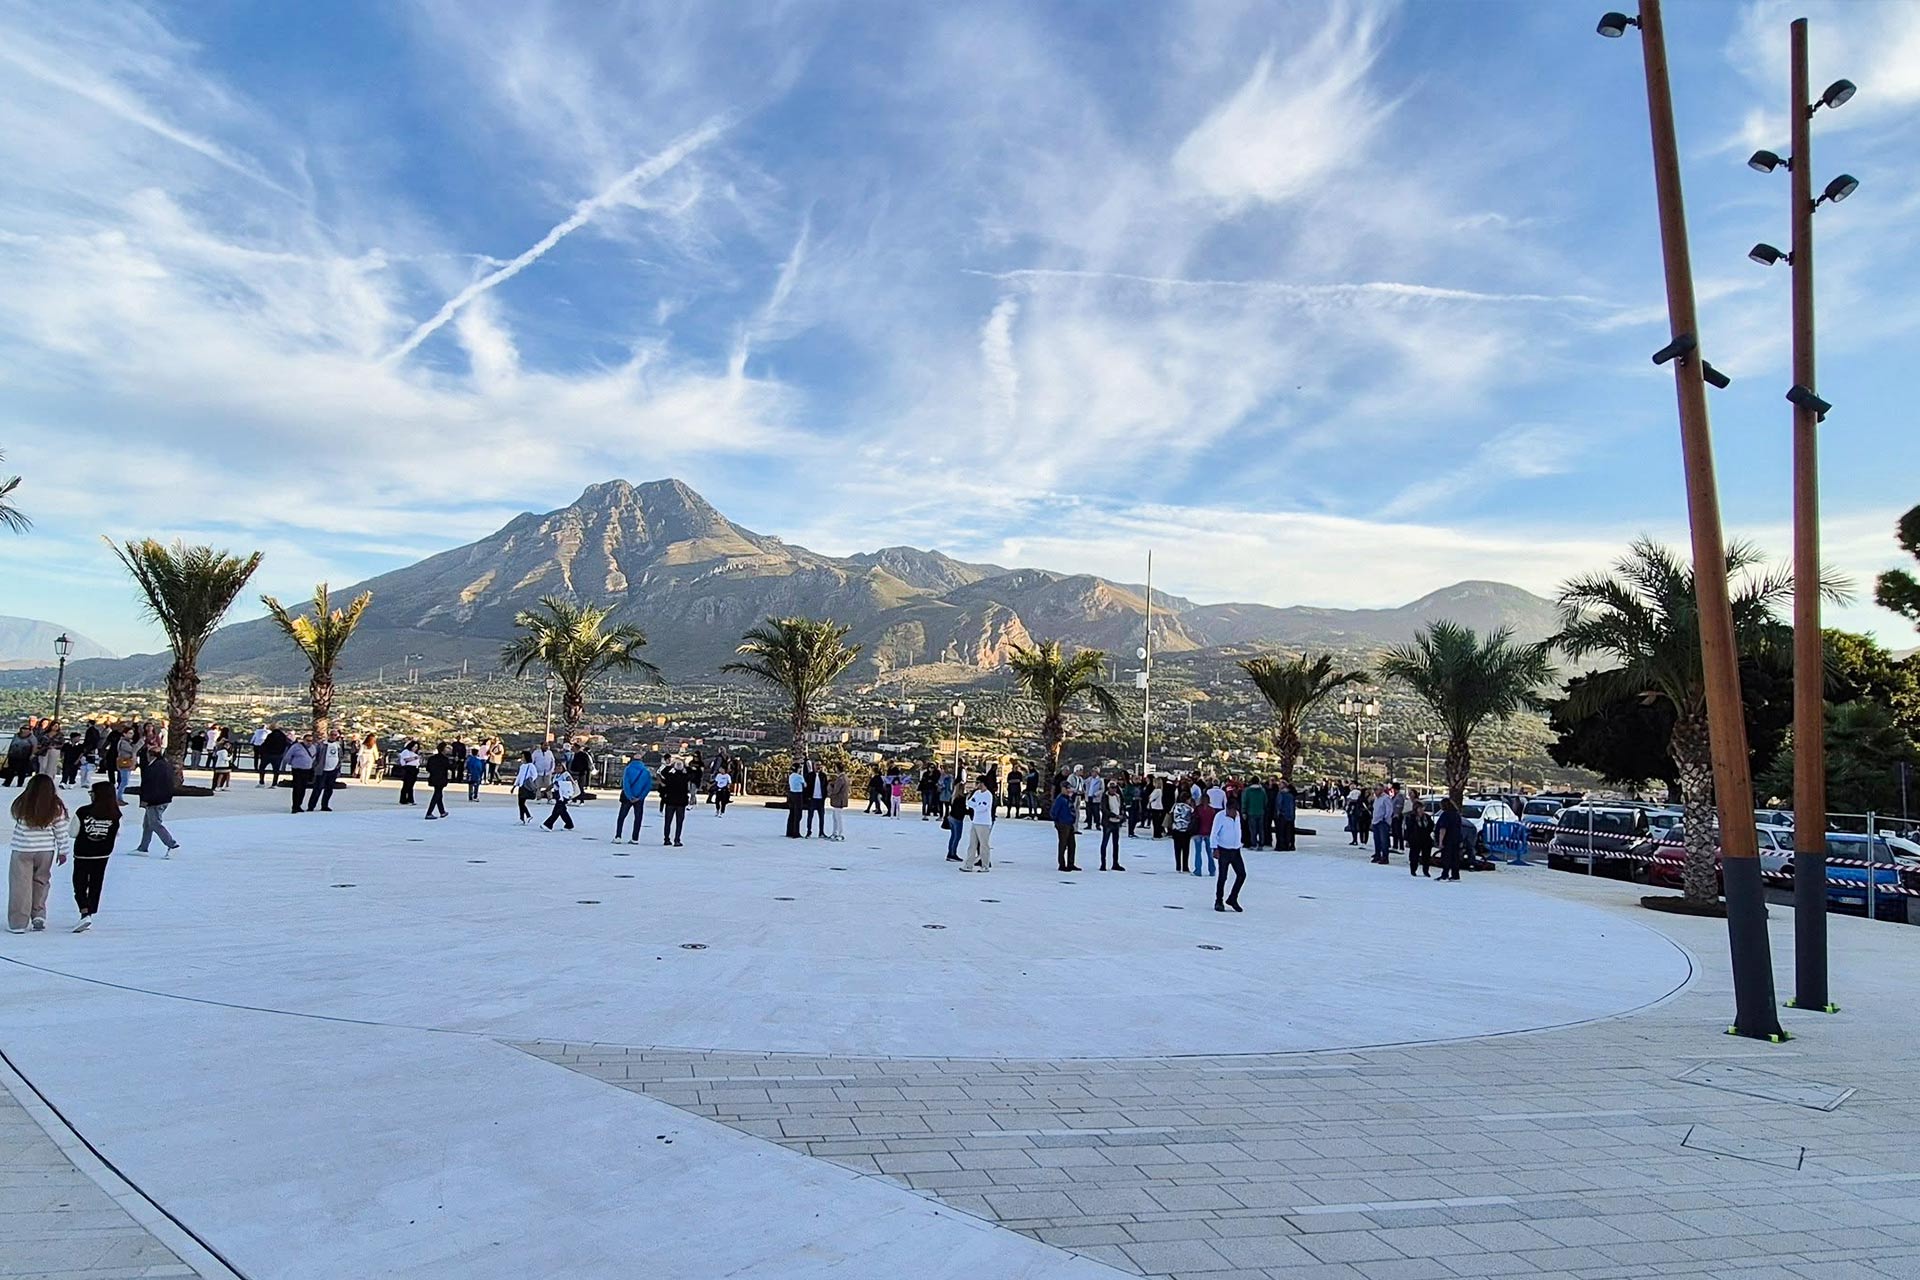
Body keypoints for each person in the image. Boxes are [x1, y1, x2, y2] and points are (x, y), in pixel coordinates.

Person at [8, 775, 70, 933]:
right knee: (41, 881)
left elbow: (15, 817)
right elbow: (61, 830)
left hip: (22, 848)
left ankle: (18, 922)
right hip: (45, 849)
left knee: (20, 885)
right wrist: (63, 851)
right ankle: (38, 914)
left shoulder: (22, 803)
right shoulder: (55, 806)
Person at [68, 780, 120, 932]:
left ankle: (84, 911)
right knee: (96, 883)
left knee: (80, 883)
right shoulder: (116, 814)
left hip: (83, 854)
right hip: (102, 855)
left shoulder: (83, 811)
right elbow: (118, 833)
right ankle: (90, 911)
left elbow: (72, 833)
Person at [131, 751, 179, 858]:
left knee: (155, 823)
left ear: (150, 755)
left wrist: (147, 799)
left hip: (156, 800)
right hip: (162, 798)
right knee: (147, 824)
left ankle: (172, 844)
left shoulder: (154, 768)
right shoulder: (164, 765)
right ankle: (143, 847)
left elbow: (151, 785)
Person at [1212, 795, 1247, 912]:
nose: (1232, 813)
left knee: (1242, 874)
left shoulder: (1237, 816)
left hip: (1236, 850)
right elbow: (1214, 833)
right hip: (1224, 850)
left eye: (1234, 811)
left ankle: (1233, 898)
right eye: (1230, 810)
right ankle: (1218, 900)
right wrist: (1214, 848)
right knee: (1223, 876)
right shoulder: (1220, 817)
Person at [616, 752, 653, 843]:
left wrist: (630, 796)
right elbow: (648, 786)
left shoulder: (628, 769)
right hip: (639, 798)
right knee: (638, 818)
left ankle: (618, 836)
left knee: (622, 817)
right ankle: (635, 838)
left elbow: (626, 784)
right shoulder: (646, 771)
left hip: (628, 797)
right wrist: (640, 797)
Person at [961, 776, 994, 871]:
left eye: (978, 783)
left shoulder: (988, 795)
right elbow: (969, 803)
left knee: (984, 845)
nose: (977, 785)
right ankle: (969, 865)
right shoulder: (977, 793)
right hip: (975, 821)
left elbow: (982, 808)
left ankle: (985, 865)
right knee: (972, 844)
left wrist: (975, 806)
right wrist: (975, 805)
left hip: (984, 823)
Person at [659, 757, 690, 847]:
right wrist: (685, 765)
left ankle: (666, 839)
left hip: (670, 801)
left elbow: (663, 772)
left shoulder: (670, 776)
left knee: (668, 821)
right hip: (681, 802)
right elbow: (693, 774)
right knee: (679, 822)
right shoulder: (685, 777)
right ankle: (677, 839)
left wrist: (671, 765)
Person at [309, 731, 343, 811]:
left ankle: (325, 805)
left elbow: (340, 756)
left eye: (335, 735)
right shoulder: (322, 744)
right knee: (317, 789)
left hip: (333, 770)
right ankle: (311, 806)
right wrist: (316, 766)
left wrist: (338, 766)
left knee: (329, 789)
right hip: (322, 770)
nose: (333, 736)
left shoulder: (338, 745)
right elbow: (316, 755)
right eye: (332, 735)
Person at [1099, 776, 1127, 871]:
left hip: (1116, 822)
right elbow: (1104, 809)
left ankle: (1115, 863)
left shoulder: (1118, 797)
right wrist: (1113, 815)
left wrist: (1122, 814)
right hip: (1108, 822)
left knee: (1116, 844)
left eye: (1115, 788)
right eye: (1112, 788)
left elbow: (1122, 806)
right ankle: (1103, 863)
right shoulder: (1105, 796)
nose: (1113, 790)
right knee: (1105, 843)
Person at [1050, 782, 1079, 872]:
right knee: (1063, 844)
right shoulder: (1060, 799)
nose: (1068, 790)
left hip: (1069, 824)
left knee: (1072, 844)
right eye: (1067, 788)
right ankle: (1062, 864)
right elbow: (1053, 812)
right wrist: (1058, 822)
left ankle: (1071, 863)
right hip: (1063, 824)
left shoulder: (1068, 798)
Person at [284, 733, 316, 814]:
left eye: (311, 741)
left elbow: (314, 757)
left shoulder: (313, 748)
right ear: (304, 740)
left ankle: (299, 805)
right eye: (308, 740)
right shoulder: (296, 747)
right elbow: (287, 757)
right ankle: (295, 806)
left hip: (307, 770)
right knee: (297, 788)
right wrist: (293, 763)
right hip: (297, 770)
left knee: (303, 788)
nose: (309, 742)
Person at [1436, 797, 1466, 881]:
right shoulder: (1457, 815)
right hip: (1456, 838)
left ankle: (1445, 874)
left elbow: (1443, 829)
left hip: (1448, 839)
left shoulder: (1445, 815)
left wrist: (1440, 841)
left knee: (1446, 857)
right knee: (1455, 857)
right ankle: (1455, 875)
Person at [1407, 793, 1435, 877]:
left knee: (1426, 856)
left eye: (1423, 808)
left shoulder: (1427, 817)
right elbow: (1409, 829)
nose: (1422, 810)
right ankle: (1413, 870)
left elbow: (1431, 826)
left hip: (1426, 839)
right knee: (1414, 856)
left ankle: (1426, 870)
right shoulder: (1411, 818)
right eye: (1420, 808)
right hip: (1415, 839)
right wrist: (1408, 839)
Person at [1192, 793, 1216, 879]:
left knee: (1198, 852)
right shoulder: (1212, 810)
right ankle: (1212, 870)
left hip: (1198, 832)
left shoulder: (1198, 809)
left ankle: (1198, 870)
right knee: (1209, 852)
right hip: (1209, 833)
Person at [423, 744, 451, 819]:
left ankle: (442, 811)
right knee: (437, 795)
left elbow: (428, 768)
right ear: (443, 749)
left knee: (439, 794)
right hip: (441, 778)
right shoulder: (445, 759)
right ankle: (429, 813)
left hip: (433, 777)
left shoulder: (432, 758)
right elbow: (450, 767)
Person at [1169, 791, 1194, 873]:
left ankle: (1178, 866)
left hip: (1176, 829)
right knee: (1186, 849)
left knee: (1177, 849)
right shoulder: (1189, 808)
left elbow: (1171, 815)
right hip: (1186, 831)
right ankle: (1185, 866)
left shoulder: (1175, 806)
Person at [1240, 776, 1267, 850]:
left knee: (1252, 829)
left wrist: (1244, 811)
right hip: (1261, 812)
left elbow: (1244, 802)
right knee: (1261, 829)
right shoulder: (1262, 790)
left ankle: (1253, 843)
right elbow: (1265, 801)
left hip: (1251, 812)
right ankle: (1261, 843)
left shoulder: (1247, 791)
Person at [512, 751, 538, 824]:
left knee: (521, 803)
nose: (522, 758)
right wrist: (514, 786)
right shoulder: (522, 766)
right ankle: (526, 817)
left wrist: (529, 780)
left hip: (526, 786)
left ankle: (523, 818)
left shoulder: (531, 766)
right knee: (521, 803)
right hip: (521, 786)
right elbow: (519, 776)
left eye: (523, 757)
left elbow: (535, 774)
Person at [944, 782, 967, 862]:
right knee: (957, 837)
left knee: (953, 836)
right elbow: (961, 810)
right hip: (957, 819)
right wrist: (969, 812)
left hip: (951, 817)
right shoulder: (961, 798)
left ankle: (950, 852)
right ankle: (952, 854)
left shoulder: (954, 797)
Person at [1370, 785, 1393, 864]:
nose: (1375, 791)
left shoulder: (1386, 798)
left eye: (1376, 789)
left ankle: (1385, 857)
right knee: (1377, 840)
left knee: (1384, 840)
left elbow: (1389, 810)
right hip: (1376, 821)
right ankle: (1377, 855)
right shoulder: (1377, 799)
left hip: (1382, 822)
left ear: (1381, 790)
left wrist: (1385, 819)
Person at [827, 765, 849, 840]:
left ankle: (840, 833)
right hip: (841, 800)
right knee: (835, 817)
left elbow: (836, 790)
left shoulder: (840, 779)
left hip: (838, 800)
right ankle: (835, 832)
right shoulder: (845, 777)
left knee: (837, 818)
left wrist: (830, 789)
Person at [785, 761, 806, 838]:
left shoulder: (791, 776)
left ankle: (789, 831)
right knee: (798, 814)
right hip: (798, 795)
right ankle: (796, 832)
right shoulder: (800, 777)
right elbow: (805, 785)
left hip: (791, 794)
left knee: (792, 813)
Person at [1275, 783, 1297, 852]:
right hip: (1290, 815)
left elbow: (1278, 804)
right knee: (1288, 831)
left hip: (1282, 815)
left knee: (1281, 831)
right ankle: (1288, 845)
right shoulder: (1291, 795)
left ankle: (1281, 846)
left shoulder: (1281, 794)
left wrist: (1278, 813)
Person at [807, 763, 828, 836]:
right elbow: (806, 787)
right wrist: (808, 797)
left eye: (820, 765)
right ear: (813, 766)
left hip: (821, 800)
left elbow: (825, 787)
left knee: (821, 817)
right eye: (817, 765)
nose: (818, 766)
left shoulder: (823, 776)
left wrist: (824, 797)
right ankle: (809, 831)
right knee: (810, 816)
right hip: (812, 799)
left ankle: (821, 832)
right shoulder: (809, 775)